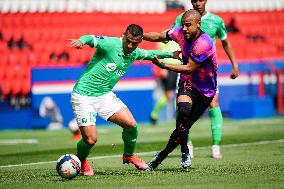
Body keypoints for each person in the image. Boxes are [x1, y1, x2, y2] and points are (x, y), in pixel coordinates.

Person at [68, 24, 180, 176]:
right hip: (83, 95)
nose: (130, 45)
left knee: (131, 125)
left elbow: (150, 54)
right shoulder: (111, 44)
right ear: (124, 35)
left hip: (104, 95)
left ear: (140, 41)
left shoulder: (135, 52)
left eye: (135, 43)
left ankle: (129, 155)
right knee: (90, 140)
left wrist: (171, 55)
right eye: (128, 41)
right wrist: (81, 41)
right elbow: (91, 38)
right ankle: (81, 160)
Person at [143, 9, 218, 170]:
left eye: (188, 25)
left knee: (182, 128)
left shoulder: (204, 43)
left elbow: (189, 68)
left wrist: (162, 65)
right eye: (183, 25)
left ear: (198, 25)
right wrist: (139, 36)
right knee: (183, 111)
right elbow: (158, 36)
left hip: (206, 91)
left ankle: (160, 156)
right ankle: (185, 151)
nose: (184, 29)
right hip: (187, 82)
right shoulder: (179, 33)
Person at [172, 0, 239, 158]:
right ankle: (187, 144)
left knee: (214, 103)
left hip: (207, 75)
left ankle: (216, 146)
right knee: (183, 108)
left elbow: (225, 43)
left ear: (206, 0)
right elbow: (176, 37)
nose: (197, 3)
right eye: (194, 0)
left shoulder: (217, 21)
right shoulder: (182, 18)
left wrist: (234, 65)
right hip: (187, 71)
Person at [150, 40, 181, 125]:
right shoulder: (165, 36)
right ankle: (154, 114)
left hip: (180, 67)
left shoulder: (181, 34)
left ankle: (180, 116)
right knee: (169, 95)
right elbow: (159, 53)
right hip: (168, 68)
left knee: (181, 92)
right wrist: (162, 68)